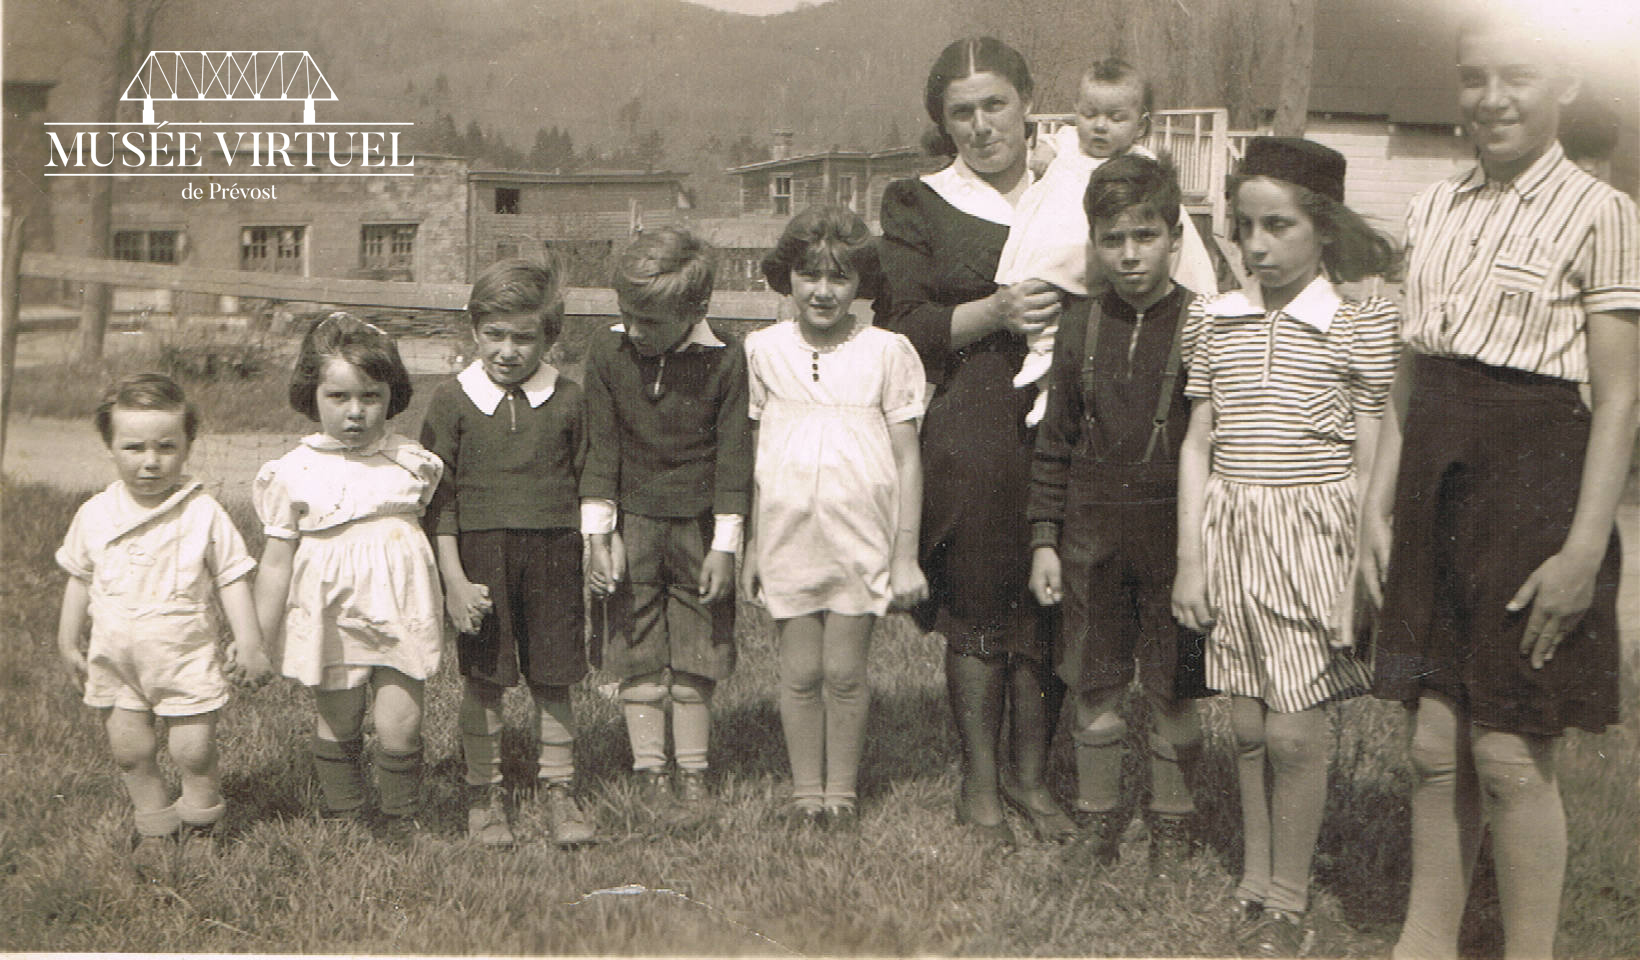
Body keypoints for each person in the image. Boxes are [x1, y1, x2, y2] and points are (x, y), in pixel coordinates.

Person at [1354, 12, 1639, 958]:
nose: (1492, 98)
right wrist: (1376, 505)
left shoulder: (1605, 215)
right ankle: (1423, 943)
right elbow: (1406, 379)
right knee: (1434, 746)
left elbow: (1620, 399)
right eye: (1475, 78)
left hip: (1536, 490)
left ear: (1563, 86)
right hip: (1436, 478)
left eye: (1518, 76)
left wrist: (1584, 549)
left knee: (1509, 752)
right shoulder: (1435, 207)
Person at [1173, 137, 1399, 954]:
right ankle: (1255, 875)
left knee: (1297, 731)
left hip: (1315, 535)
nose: (1258, 247)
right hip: (1231, 528)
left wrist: (1357, 568)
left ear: (1323, 231)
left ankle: (1291, 890)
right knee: (1247, 726)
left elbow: (1373, 448)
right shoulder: (1216, 320)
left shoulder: (1355, 321)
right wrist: (1191, 558)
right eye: (1244, 228)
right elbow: (1200, 441)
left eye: (1279, 227)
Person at [878, 36, 1074, 846]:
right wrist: (994, 313)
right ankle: (980, 784)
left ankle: (1034, 778)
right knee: (983, 598)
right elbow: (904, 327)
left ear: (1027, 102)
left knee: (1055, 604)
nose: (982, 125)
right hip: (975, 417)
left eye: (996, 104)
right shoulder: (918, 202)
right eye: (962, 112)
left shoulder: (1070, 186)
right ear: (942, 123)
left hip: (1068, 415)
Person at [1026, 154, 1210, 877]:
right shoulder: (1080, 326)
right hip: (1092, 531)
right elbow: (1054, 444)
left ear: (1174, 237)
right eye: (1112, 240)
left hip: (1175, 531)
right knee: (1096, 681)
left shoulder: (1205, 324)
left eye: (1145, 235)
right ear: (1093, 243)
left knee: (1173, 686)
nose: (1129, 255)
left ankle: (1172, 825)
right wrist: (1045, 541)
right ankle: (1098, 823)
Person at [740, 206, 929, 830]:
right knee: (799, 674)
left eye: (840, 278)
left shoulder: (886, 352)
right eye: (808, 275)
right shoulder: (762, 351)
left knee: (844, 672)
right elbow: (749, 459)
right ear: (785, 278)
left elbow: (907, 458)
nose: (823, 291)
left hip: (860, 536)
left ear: (860, 284)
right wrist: (750, 548)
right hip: (788, 534)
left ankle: (841, 793)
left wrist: (904, 555)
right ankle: (805, 794)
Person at [55, 373, 267, 880]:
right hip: (116, 659)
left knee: (192, 750)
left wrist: (250, 639)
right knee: (131, 752)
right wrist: (67, 638)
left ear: (187, 445)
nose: (150, 461)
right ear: (110, 446)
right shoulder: (96, 513)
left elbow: (233, 577)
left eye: (166, 447)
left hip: (183, 656)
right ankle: (154, 827)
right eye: (134, 447)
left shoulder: (202, 513)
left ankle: (199, 823)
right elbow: (79, 578)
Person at [420, 258, 595, 848]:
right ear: (474, 331)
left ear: (550, 337)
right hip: (481, 563)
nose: (508, 350)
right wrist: (453, 581)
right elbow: (439, 503)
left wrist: (594, 551)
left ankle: (560, 790)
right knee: (485, 680)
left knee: (554, 678)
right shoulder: (452, 401)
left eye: (524, 336)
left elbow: (589, 481)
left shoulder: (570, 400)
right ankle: (483, 794)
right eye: (494, 334)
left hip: (554, 558)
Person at [252, 314, 445, 837]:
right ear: (311, 396)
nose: (356, 412)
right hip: (331, 610)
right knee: (338, 719)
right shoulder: (293, 472)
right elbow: (275, 561)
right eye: (339, 398)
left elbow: (438, 529)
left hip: (401, 606)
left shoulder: (413, 463)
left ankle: (401, 816)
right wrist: (256, 637)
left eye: (371, 397)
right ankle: (347, 815)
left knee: (400, 725)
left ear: (392, 396)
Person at [581, 226, 752, 807]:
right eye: (626, 314)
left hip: (699, 529)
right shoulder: (608, 352)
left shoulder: (727, 362)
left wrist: (725, 546)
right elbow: (600, 449)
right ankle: (650, 768)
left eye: (649, 321)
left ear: (696, 309)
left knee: (698, 650)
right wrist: (601, 537)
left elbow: (733, 459)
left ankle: (695, 770)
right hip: (633, 526)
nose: (634, 330)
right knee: (637, 645)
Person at [996, 57, 1219, 426]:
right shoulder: (1068, 147)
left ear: (1141, 125)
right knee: (1044, 321)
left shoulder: (1140, 167)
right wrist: (1046, 153)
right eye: (1089, 114)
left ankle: (1056, 393)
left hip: (1098, 266)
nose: (1100, 127)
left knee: (1090, 336)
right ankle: (1044, 385)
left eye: (1116, 118)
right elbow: (1055, 139)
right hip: (1052, 262)